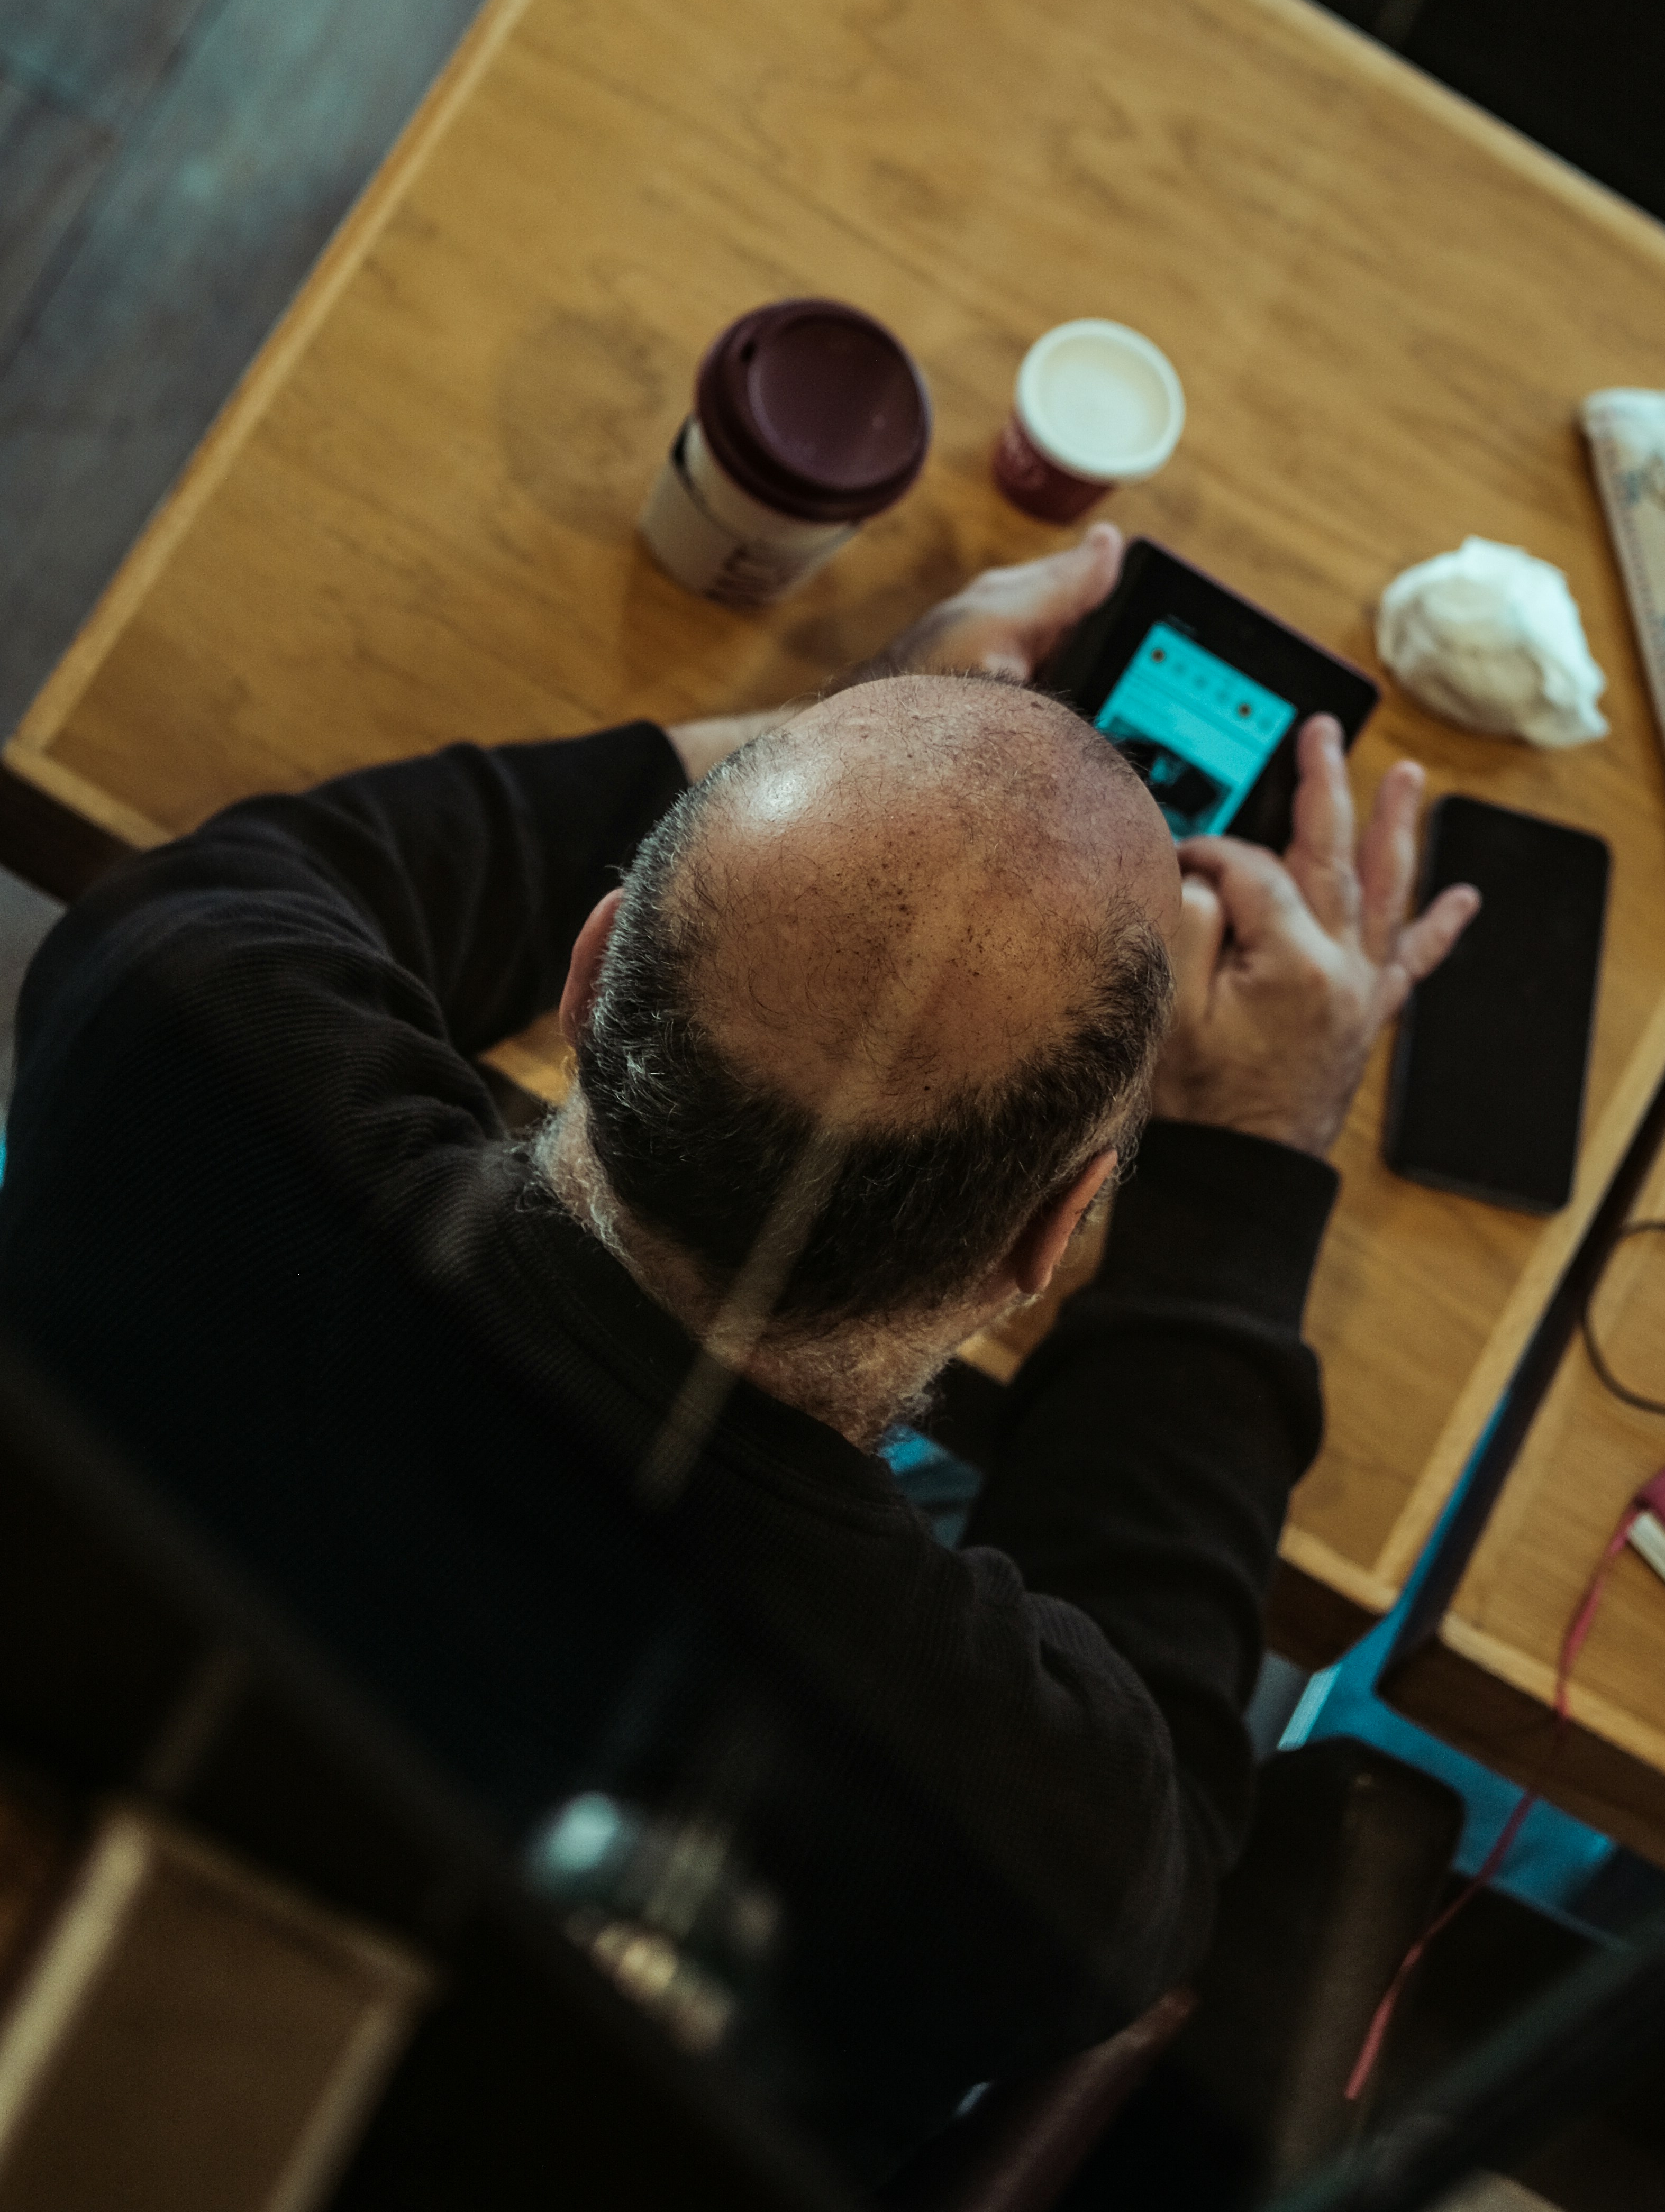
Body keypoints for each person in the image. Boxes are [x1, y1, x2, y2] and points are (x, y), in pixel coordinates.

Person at [0, 524, 1474, 2174]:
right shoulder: (1010, 1835)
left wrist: (778, 760)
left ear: (588, 970)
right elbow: (1167, 1782)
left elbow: (297, 868)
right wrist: (1252, 1158)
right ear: (1047, 1242)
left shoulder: (181, 1058)